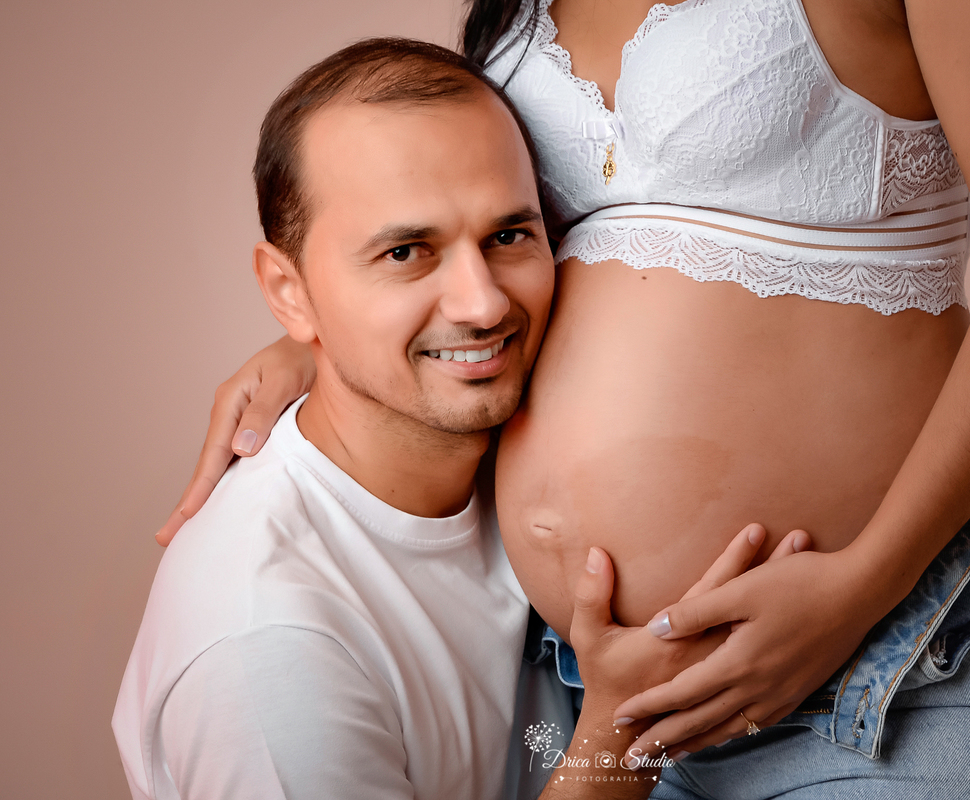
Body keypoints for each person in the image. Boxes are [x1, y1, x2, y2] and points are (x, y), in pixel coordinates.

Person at [158, 0, 970, 796]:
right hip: (594, 699)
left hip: (906, 672)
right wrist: (319, 342)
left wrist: (867, 582)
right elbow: (494, 240)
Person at [114, 39, 769, 800]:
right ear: (287, 292)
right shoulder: (267, 650)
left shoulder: (500, 436)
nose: (485, 303)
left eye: (508, 236)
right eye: (406, 252)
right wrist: (621, 731)